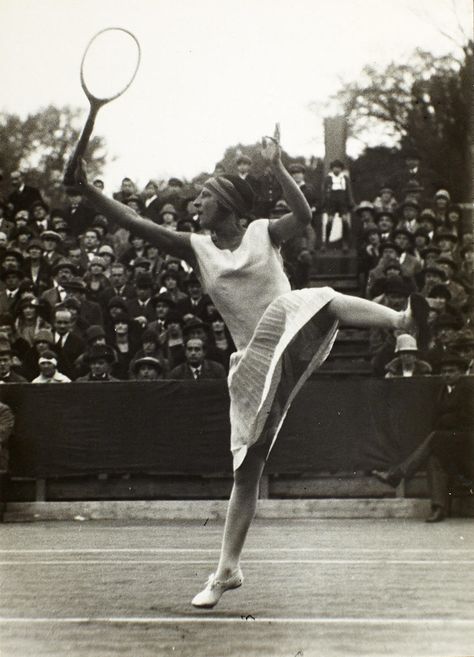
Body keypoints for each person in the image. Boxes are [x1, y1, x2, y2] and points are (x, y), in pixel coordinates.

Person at [68, 125, 430, 608]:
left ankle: (401, 320)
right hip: (255, 367)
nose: (197, 204)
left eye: (206, 197)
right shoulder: (196, 248)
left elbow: (303, 214)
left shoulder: (264, 232)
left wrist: (278, 168)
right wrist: (90, 191)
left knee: (320, 299)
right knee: (246, 472)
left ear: (231, 207)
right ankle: (226, 570)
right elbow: (137, 224)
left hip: (293, 331)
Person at [373, 353, 473, 522]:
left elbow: (468, 417)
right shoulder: (442, 391)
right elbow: (439, 419)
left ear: (461, 373)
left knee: (435, 437)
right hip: (450, 441)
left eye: (452, 371)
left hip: (468, 439)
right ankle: (438, 508)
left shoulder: (469, 389)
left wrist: (446, 420)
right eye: (444, 371)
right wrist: (446, 420)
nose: (447, 374)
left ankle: (397, 474)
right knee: (434, 459)